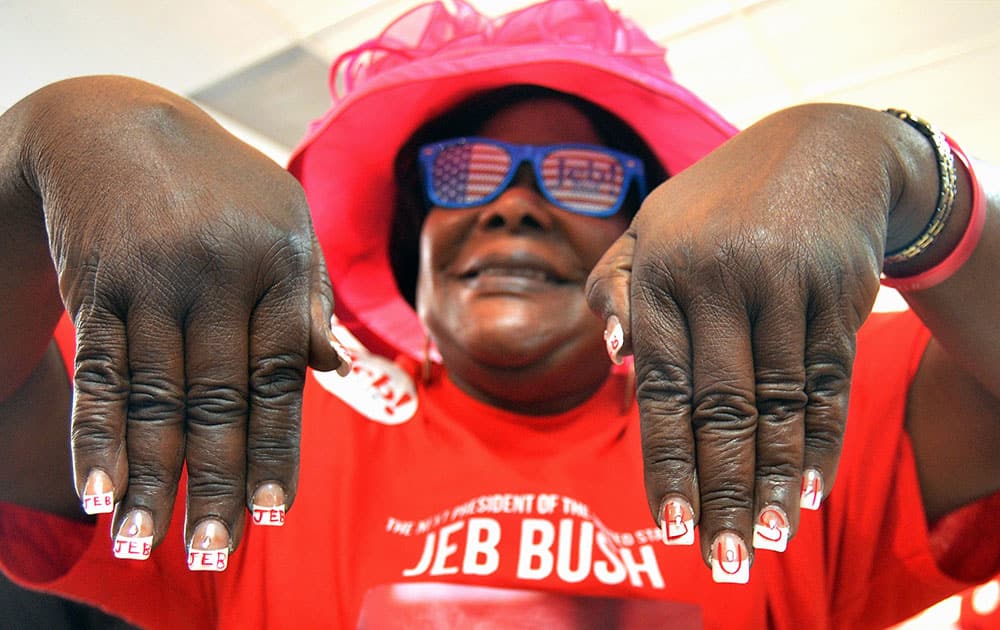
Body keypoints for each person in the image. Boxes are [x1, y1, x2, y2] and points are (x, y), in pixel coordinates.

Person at [0, 0, 997, 627]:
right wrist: (34, 155)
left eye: (578, 175)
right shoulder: (257, 419)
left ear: (657, 227)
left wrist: (911, 179)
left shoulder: (792, 398)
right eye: (464, 171)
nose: (511, 202)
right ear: (412, 242)